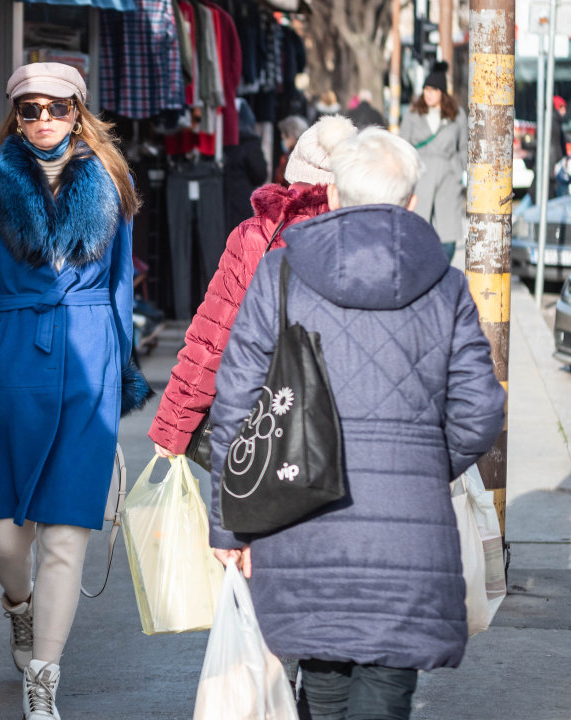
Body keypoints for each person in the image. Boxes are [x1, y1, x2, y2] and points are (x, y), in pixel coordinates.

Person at [207, 127, 506, 720]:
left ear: (335, 196)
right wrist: (421, 463)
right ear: (412, 202)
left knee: (322, 684)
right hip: (409, 532)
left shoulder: (280, 276)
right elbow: (480, 409)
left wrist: (227, 526)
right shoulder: (447, 286)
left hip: (300, 520)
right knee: (387, 689)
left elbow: (234, 407)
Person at [0, 62, 149, 720]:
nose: (44, 119)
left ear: (78, 110)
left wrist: (121, 369)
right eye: (30, 109)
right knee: (3, 535)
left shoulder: (113, 180)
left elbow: (119, 286)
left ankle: (43, 676)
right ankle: (18, 607)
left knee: (65, 532)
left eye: (57, 107)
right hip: (14, 361)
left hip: (88, 361)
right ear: (16, 114)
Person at [150, 115, 357, 459]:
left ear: (294, 173)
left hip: (262, 434)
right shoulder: (364, 236)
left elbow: (213, 338)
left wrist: (173, 426)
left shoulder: (256, 236)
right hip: (344, 435)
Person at [399, 61, 467, 262]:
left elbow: (464, 147)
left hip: (448, 176)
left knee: (448, 233)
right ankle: (422, 269)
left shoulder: (456, 115)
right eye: (426, 89)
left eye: (433, 90)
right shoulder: (413, 114)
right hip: (422, 176)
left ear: (442, 92)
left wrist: (456, 168)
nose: (428, 94)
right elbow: (403, 144)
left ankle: (442, 270)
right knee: (418, 228)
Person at [223, 98, 270, 234]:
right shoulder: (250, 141)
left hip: (219, 204)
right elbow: (260, 174)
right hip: (242, 204)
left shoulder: (220, 138)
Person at [273, 115, 309, 186]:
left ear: (291, 137)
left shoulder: (288, 159)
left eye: (283, 138)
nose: (283, 142)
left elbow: (279, 182)